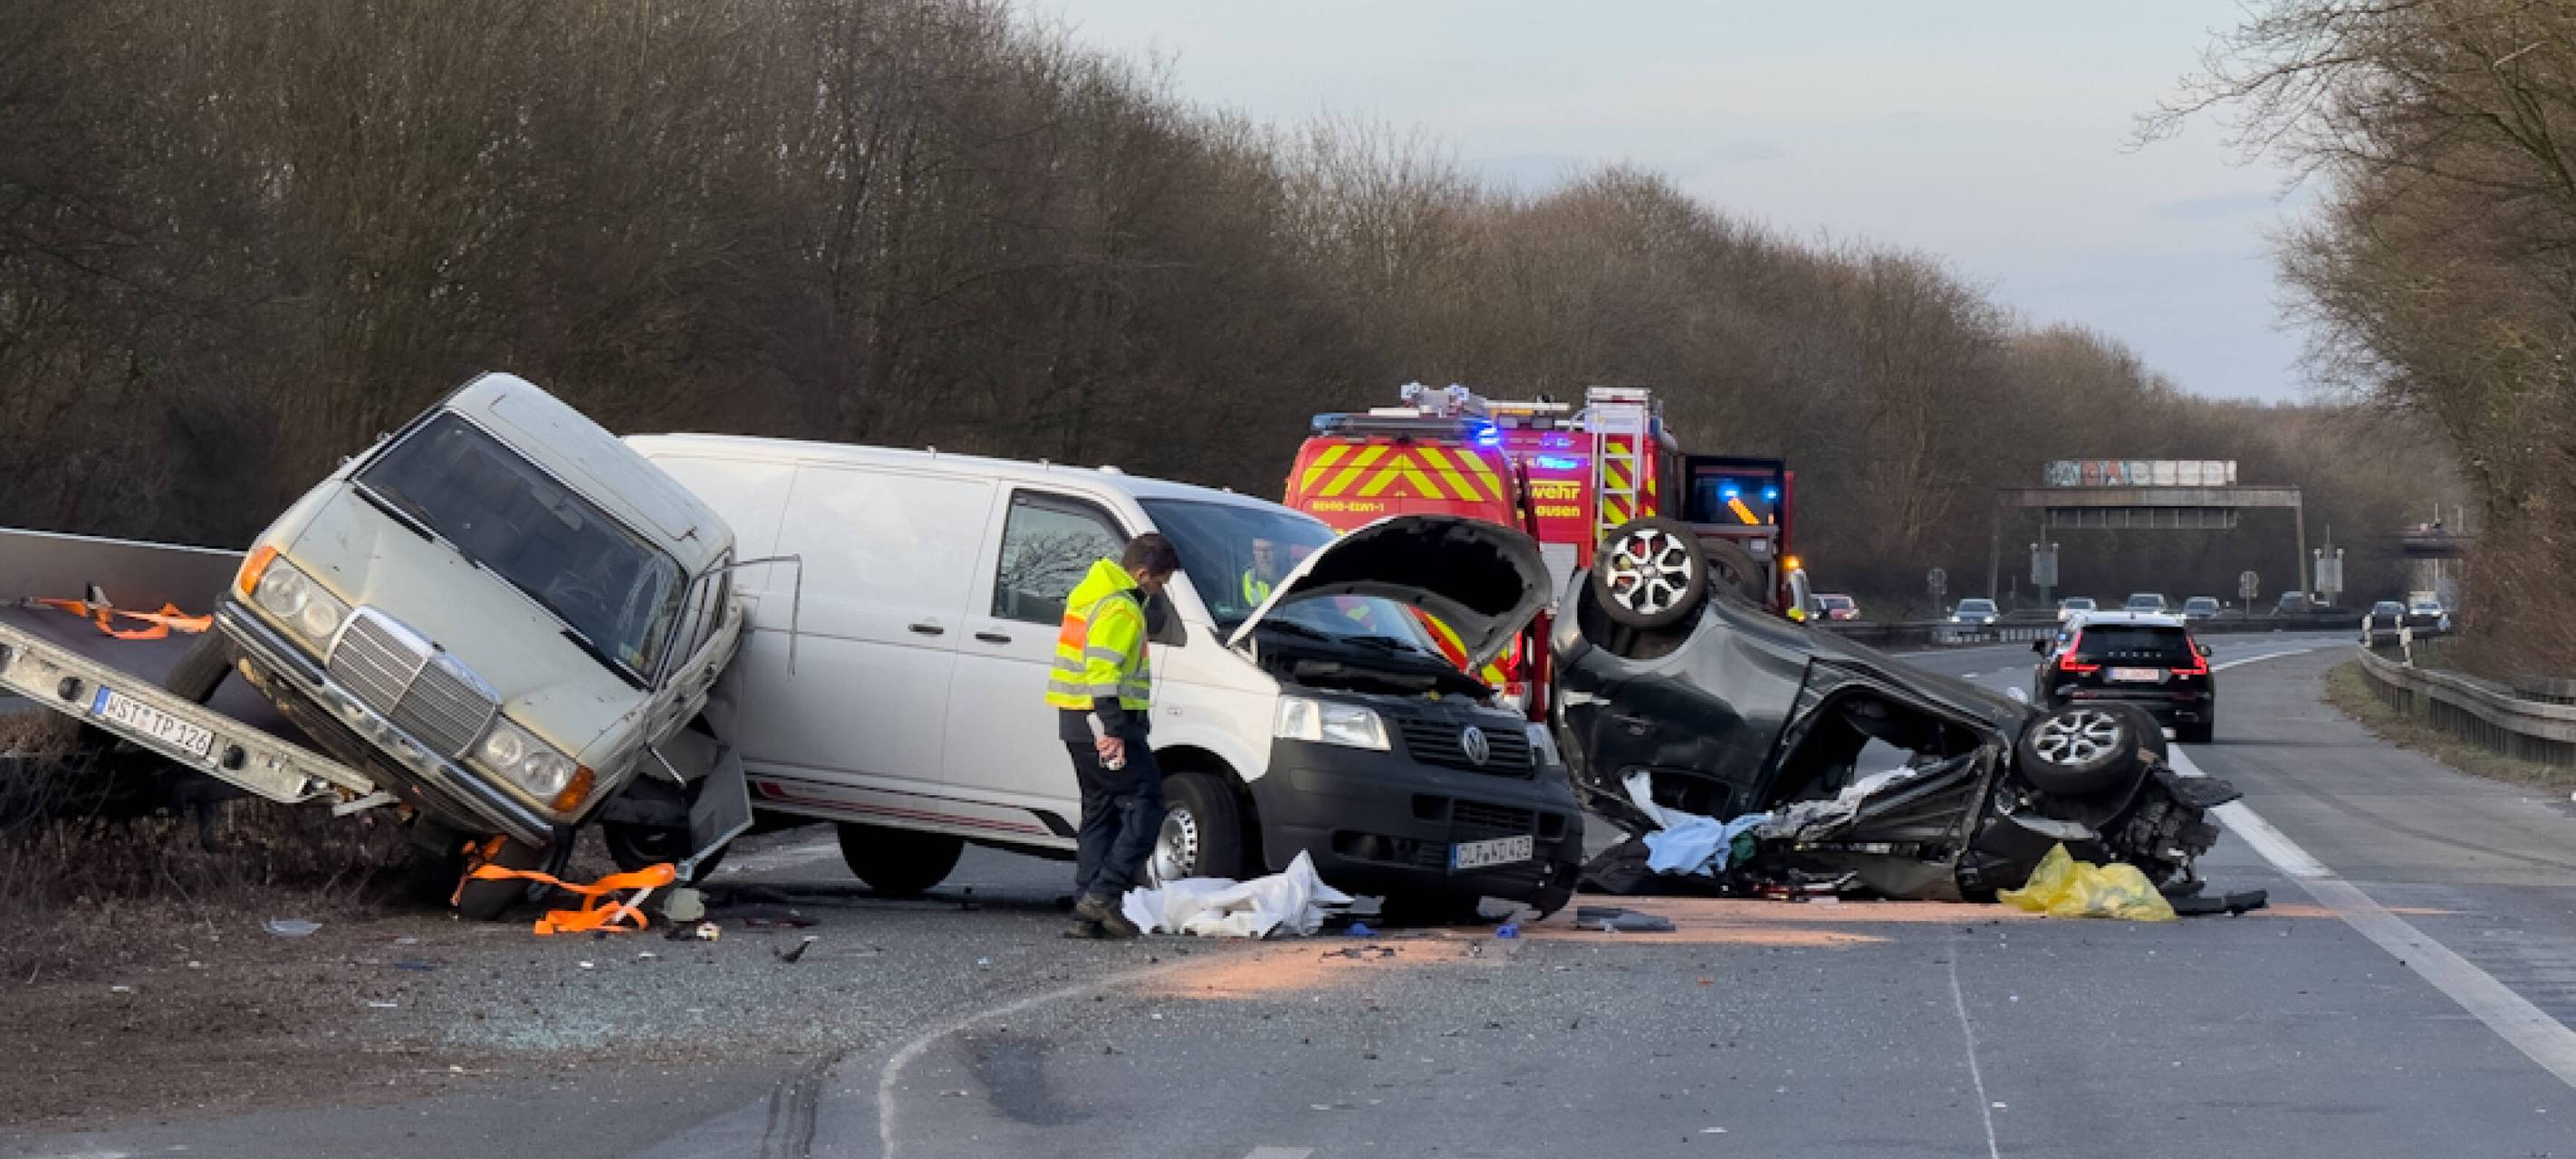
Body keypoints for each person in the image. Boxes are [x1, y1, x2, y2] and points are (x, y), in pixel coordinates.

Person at [1044, 533, 1183, 939]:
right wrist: (1114, 730)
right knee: (1148, 803)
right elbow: (1102, 671)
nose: (1161, 589)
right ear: (1142, 573)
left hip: (1077, 720)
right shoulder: (1120, 606)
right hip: (1105, 721)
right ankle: (1102, 895)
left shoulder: (1092, 594)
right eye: (1160, 581)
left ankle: (1085, 910)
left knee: (1100, 810)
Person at [1240, 536, 1285, 608]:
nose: (1264, 555)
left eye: (1270, 549)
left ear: (1281, 551)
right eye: (1258, 549)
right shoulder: (1245, 578)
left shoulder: (1295, 575)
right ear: (1253, 551)